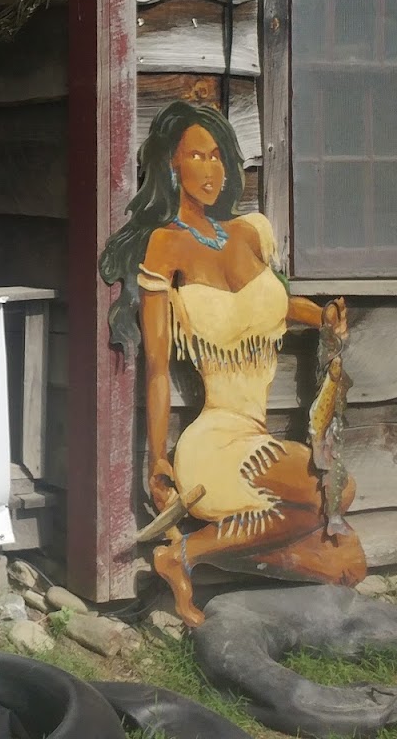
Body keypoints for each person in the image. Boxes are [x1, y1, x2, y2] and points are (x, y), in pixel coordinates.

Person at [99, 101, 363, 626]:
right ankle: (185, 557)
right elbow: (155, 370)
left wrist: (323, 315)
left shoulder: (251, 231)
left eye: (218, 156)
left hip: (257, 433)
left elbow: (278, 305)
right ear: (172, 166)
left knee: (347, 564)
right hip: (215, 440)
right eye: (196, 155)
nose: (211, 169)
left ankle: (190, 558)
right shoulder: (163, 247)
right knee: (339, 488)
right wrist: (158, 461)